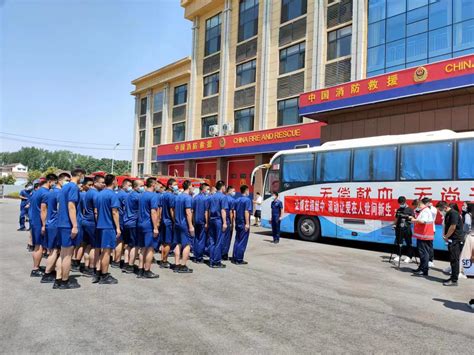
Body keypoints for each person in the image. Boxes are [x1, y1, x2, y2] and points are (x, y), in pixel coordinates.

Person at [57, 168, 86, 289]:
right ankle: (65, 281)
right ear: (80, 175)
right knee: (68, 255)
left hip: (62, 223)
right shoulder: (73, 187)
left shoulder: (65, 186)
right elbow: (71, 206)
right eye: (83, 176)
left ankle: (59, 279)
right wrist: (74, 225)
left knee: (63, 254)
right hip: (68, 224)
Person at [41, 173, 70, 284]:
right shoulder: (60, 194)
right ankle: (48, 273)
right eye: (66, 180)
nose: (68, 182)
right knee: (56, 251)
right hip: (56, 224)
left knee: (53, 250)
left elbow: (45, 209)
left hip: (50, 223)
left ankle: (49, 272)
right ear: (60, 180)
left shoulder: (51, 193)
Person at [95, 174, 122, 284]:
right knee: (107, 252)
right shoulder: (112, 195)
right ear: (114, 181)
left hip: (100, 225)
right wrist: (118, 227)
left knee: (102, 251)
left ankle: (99, 272)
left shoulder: (99, 194)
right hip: (108, 226)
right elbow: (114, 212)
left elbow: (96, 211)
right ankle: (104, 275)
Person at [29, 174, 57, 277]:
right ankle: (35, 269)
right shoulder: (46, 193)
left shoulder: (37, 191)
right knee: (39, 246)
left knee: (38, 245)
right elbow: (43, 210)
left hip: (35, 221)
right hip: (39, 223)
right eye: (54, 182)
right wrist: (44, 225)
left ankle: (36, 266)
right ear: (50, 181)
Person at [81, 174, 105, 279]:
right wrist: (99, 223)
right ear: (95, 183)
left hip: (86, 221)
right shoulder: (95, 194)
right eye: (102, 182)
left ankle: (86, 266)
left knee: (88, 245)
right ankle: (91, 267)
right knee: (95, 247)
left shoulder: (88, 192)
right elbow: (96, 211)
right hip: (92, 223)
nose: (104, 184)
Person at [137, 177, 160, 279]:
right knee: (150, 248)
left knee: (142, 248)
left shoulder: (141, 195)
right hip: (148, 225)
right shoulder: (153, 196)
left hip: (140, 223)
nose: (158, 186)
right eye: (157, 183)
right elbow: (153, 212)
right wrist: (155, 227)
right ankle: (147, 270)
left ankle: (140, 270)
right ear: (153, 184)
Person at [437, 202, 464, 286]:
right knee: (452, 259)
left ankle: (454, 280)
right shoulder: (448, 214)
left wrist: (446, 236)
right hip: (452, 240)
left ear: (444, 207)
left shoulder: (453, 213)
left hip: (456, 240)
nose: (439, 212)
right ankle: (452, 277)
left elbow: (453, 226)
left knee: (454, 260)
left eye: (440, 210)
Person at [173, 179, 194, 273]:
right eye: (192, 186)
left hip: (177, 223)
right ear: (189, 186)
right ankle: (183, 265)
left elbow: (173, 210)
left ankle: (177, 264)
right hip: (184, 224)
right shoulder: (188, 198)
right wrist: (191, 226)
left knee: (178, 243)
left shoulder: (178, 197)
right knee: (187, 244)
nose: (193, 188)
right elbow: (188, 212)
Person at [122, 179, 143, 274]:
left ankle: (126, 263)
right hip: (133, 222)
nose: (143, 187)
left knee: (128, 245)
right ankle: (130, 265)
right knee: (135, 245)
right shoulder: (138, 196)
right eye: (141, 186)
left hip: (126, 222)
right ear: (135, 187)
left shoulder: (128, 195)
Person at [72, 177, 93, 271]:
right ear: (84, 185)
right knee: (86, 244)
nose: (91, 187)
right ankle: (84, 264)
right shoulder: (85, 195)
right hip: (83, 221)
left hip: (78, 220)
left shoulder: (77, 194)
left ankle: (75, 262)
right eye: (89, 185)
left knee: (79, 244)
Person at [410, 197, 434, 277]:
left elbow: (423, 221)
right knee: (421, 253)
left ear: (419, 204)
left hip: (425, 235)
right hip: (422, 235)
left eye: (417, 206)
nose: (417, 208)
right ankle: (421, 268)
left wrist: (414, 220)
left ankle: (424, 270)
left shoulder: (425, 211)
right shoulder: (423, 210)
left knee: (424, 253)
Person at [112, 178, 132, 268]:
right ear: (124, 185)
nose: (130, 187)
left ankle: (114, 259)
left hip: (117, 218)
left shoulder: (117, 193)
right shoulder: (125, 195)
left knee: (117, 240)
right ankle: (117, 260)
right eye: (129, 185)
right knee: (120, 241)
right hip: (121, 219)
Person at [208, 180, 228, 268]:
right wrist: (224, 222)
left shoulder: (211, 196)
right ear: (223, 187)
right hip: (218, 220)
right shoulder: (223, 197)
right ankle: (216, 261)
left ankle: (212, 259)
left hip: (211, 219)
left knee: (212, 241)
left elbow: (208, 210)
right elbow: (223, 210)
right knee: (219, 241)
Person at [159, 178, 177, 269]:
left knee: (163, 242)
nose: (176, 186)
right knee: (168, 242)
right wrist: (174, 220)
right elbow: (172, 210)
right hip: (169, 221)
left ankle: (162, 258)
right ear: (170, 186)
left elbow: (160, 208)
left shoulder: (162, 195)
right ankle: (164, 261)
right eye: (175, 184)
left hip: (163, 220)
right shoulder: (171, 196)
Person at [232, 185, 252, 264]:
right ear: (246, 190)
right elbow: (246, 211)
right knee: (242, 241)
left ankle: (235, 256)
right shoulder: (247, 200)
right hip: (243, 222)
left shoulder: (237, 200)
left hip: (238, 222)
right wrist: (247, 223)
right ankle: (239, 259)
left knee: (237, 240)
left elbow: (234, 211)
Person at [392, 196, 415, 264]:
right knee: (399, 242)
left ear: (405, 202)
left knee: (408, 243)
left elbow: (413, 219)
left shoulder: (410, 210)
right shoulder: (399, 209)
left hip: (407, 228)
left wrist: (408, 217)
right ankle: (399, 255)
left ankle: (409, 256)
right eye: (400, 203)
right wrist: (394, 224)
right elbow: (396, 218)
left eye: (402, 203)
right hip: (399, 228)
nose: (401, 204)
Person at [192, 183, 209, 264]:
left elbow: (192, 211)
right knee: (201, 239)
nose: (207, 191)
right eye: (207, 189)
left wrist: (192, 221)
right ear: (203, 189)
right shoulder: (205, 199)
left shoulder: (194, 198)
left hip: (195, 220)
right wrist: (207, 222)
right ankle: (199, 257)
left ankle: (195, 255)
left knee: (196, 238)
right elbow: (206, 212)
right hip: (202, 221)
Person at [222, 186, 235, 261]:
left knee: (221, 237)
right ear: (229, 191)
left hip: (221, 220)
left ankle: (219, 252)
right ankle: (224, 254)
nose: (234, 192)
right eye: (233, 191)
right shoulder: (231, 200)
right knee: (227, 239)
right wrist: (232, 223)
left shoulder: (223, 198)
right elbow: (231, 212)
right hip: (227, 220)